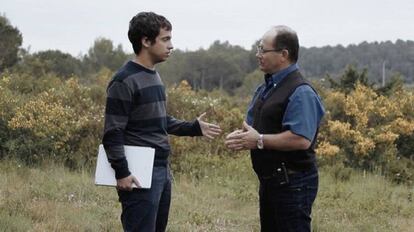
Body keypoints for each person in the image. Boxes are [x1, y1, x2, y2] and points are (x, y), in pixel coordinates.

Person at [102, 12, 221, 232]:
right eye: (165, 39)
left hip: (161, 168)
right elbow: (113, 132)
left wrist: (193, 128)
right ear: (146, 41)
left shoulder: (153, 75)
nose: (171, 46)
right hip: (139, 172)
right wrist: (122, 173)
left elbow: (159, 119)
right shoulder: (123, 80)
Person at [225, 25, 325, 232]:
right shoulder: (266, 88)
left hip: (293, 182)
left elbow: (301, 139)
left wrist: (259, 139)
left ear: (283, 54)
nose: (258, 54)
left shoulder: (301, 91)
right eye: (258, 49)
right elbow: (257, 127)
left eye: (263, 50)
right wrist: (244, 137)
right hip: (271, 181)